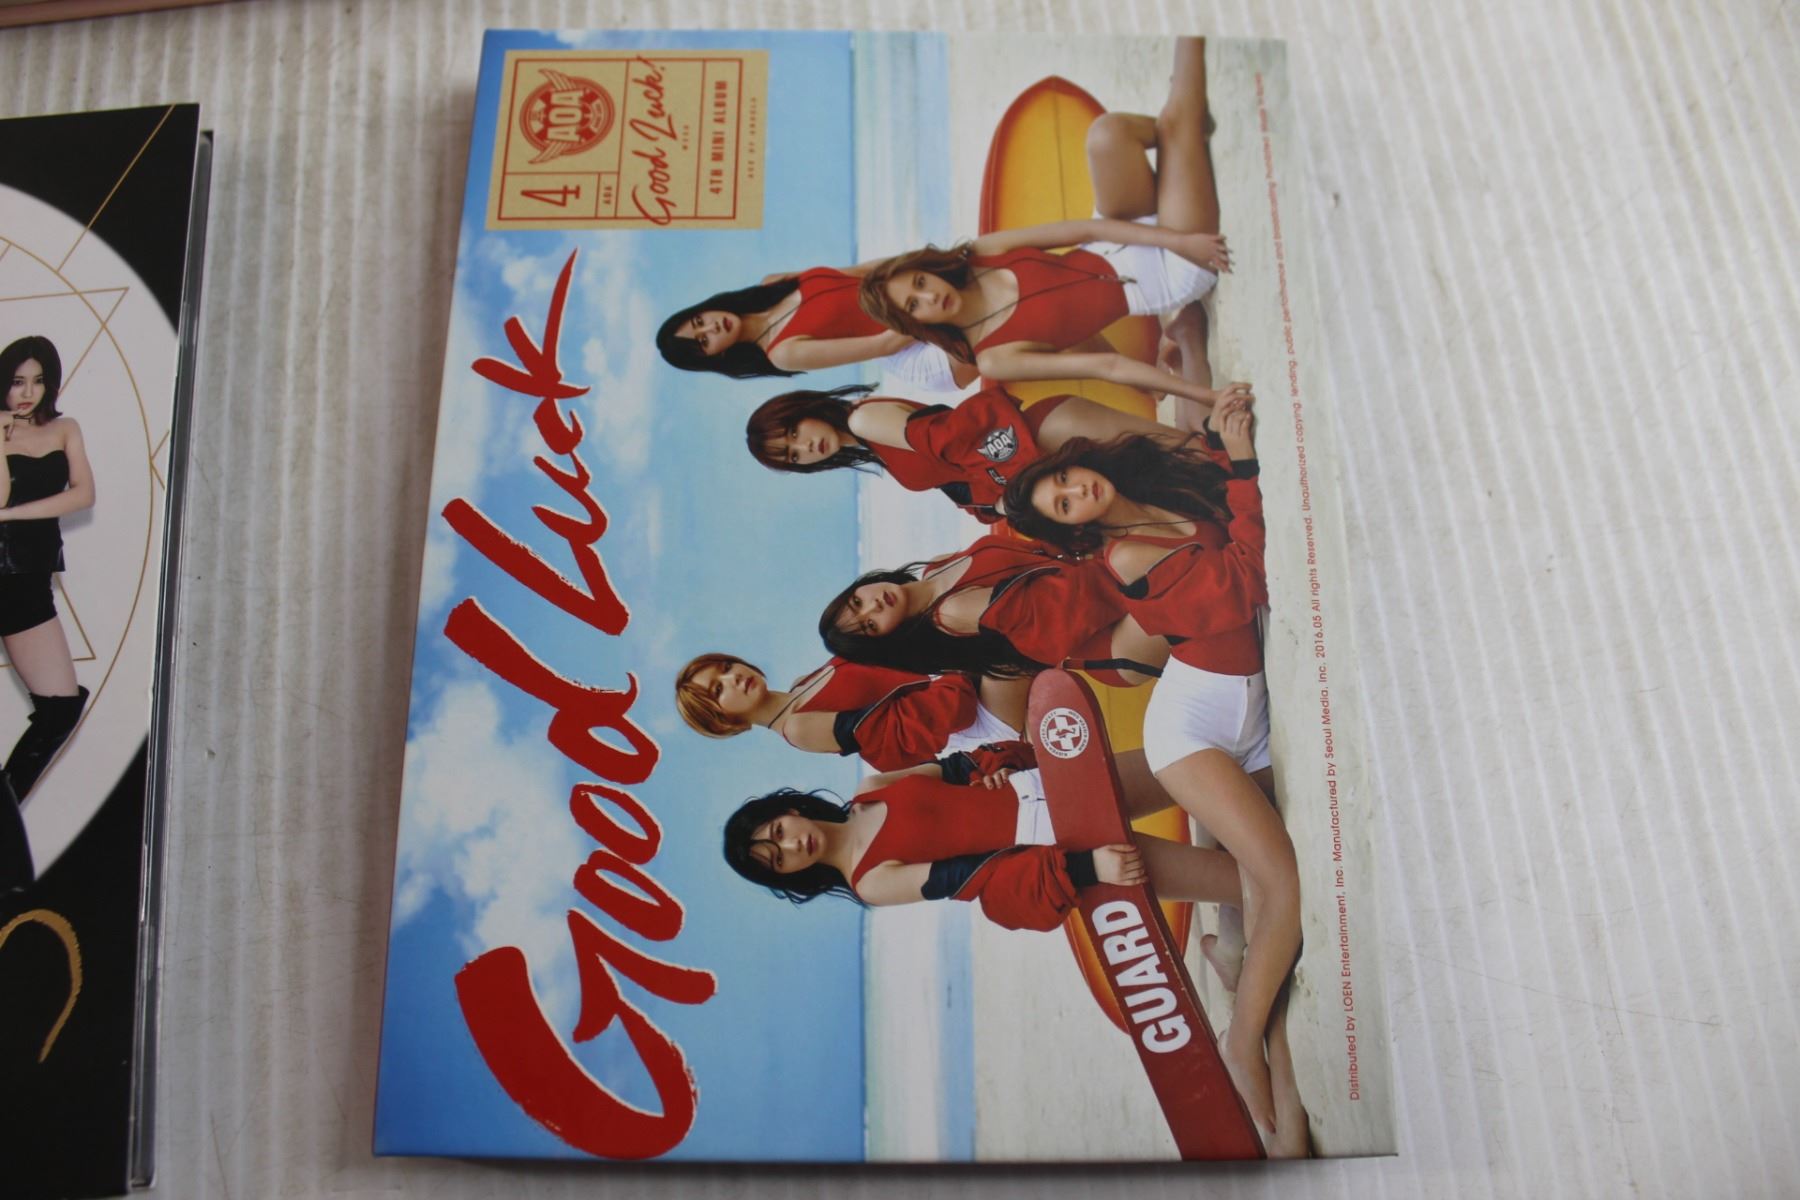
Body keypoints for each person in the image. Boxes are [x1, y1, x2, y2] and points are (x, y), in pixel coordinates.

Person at [722, 743, 1311, 1156]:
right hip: (1060, 847)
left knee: (1230, 774)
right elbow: (976, 876)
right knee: (1249, 881)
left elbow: (961, 766)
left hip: (1053, 785)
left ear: (786, 811)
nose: (791, 845)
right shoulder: (871, 881)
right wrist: (1089, 867)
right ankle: (1247, 1044)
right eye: (779, 859)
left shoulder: (871, 789)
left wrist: (996, 768)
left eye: (778, 832)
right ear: (789, 876)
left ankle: (1229, 950)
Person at [1003, 399, 1297, 1139]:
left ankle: (1245, 988)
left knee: (1265, 887)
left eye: (1064, 480)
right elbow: (1246, 581)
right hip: (1192, 733)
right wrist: (1246, 464)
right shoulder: (1127, 557)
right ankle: (1241, 1048)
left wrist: (1223, 436)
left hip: (1247, 723)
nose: (1076, 491)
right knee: (1283, 882)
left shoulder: (1150, 492)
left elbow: (1223, 517)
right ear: (1074, 529)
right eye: (1063, 504)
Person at [857, 38, 1251, 421]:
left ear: (928, 270)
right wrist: (1209, 395)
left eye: (920, 282)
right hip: (1168, 275)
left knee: (1107, 133)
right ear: (916, 326)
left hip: (1120, 233)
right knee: (1176, 124)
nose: (929, 296)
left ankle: (1188, 133)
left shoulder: (981, 253)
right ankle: (1187, 107)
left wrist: (1179, 238)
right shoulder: (994, 358)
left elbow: (1083, 230)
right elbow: (1106, 366)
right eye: (914, 306)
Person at [744, 383, 1184, 523]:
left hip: (1043, 438)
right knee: (1178, 469)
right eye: (794, 456)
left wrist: (1008, 499)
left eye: (794, 432)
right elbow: (953, 474)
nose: (805, 447)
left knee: (1183, 456)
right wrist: (999, 503)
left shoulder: (863, 421)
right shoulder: (867, 439)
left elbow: (954, 439)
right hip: (1042, 457)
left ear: (803, 410)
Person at [818, 533, 1168, 687]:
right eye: (870, 625)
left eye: (857, 602)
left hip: (1110, 583)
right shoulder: (952, 612)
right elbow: (1078, 606)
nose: (874, 605)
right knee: (1163, 569)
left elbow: (1043, 553)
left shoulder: (937, 566)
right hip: (1113, 642)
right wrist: (1114, 554)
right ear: (888, 639)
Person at [0, 336, 94, 891]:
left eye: (37, 381)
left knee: (60, 708)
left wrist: (16, 515)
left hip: (28, 580)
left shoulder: (65, 429)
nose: (26, 392)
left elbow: (83, 495)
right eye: (17, 381)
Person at [674, 652, 1026, 772]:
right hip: (969, 719)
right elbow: (902, 731)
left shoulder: (802, 684)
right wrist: (957, 673)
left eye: (725, 667)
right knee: (1013, 653)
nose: (733, 677)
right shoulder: (797, 729)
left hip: (962, 689)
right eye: (718, 690)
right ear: (722, 721)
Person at [654, 265, 977, 389]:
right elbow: (882, 345)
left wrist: (932, 263)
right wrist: (933, 308)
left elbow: (866, 272)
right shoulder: (782, 353)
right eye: (703, 341)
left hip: (916, 311)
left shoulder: (773, 282)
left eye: (699, 321)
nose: (711, 328)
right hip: (918, 352)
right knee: (978, 312)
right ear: (716, 357)